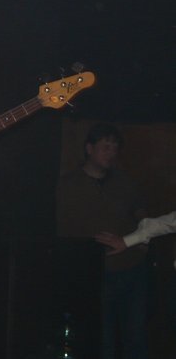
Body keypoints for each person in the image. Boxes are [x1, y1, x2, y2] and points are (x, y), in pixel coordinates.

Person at [56, 123, 148, 359]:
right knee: (101, 339)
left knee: (136, 337)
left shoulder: (124, 181)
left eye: (115, 148)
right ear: (89, 148)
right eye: (106, 147)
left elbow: (140, 211)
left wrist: (143, 237)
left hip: (131, 269)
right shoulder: (67, 185)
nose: (111, 153)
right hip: (95, 275)